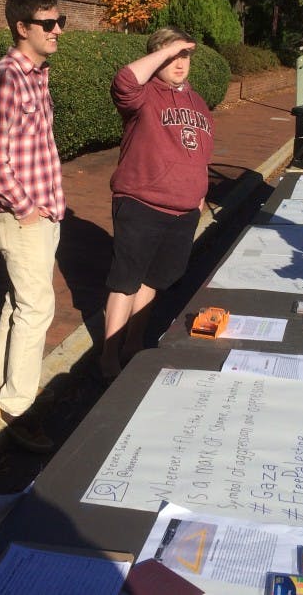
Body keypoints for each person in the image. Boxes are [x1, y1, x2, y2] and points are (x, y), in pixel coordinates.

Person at [0, 0, 66, 454]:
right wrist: (27, 209)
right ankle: (16, 405)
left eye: (59, 22)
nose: (56, 30)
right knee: (37, 308)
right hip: (20, 216)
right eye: (47, 24)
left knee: (18, 302)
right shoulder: (5, 78)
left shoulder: (37, 75)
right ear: (22, 27)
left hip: (42, 211)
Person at [100, 27, 214, 380]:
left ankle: (134, 343)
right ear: (156, 58)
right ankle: (107, 356)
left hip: (183, 211)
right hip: (141, 202)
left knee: (153, 281)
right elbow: (123, 81)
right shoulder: (144, 95)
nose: (180, 63)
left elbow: (198, 152)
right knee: (126, 281)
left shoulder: (197, 102)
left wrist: (199, 194)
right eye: (171, 56)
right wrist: (166, 51)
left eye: (185, 56)